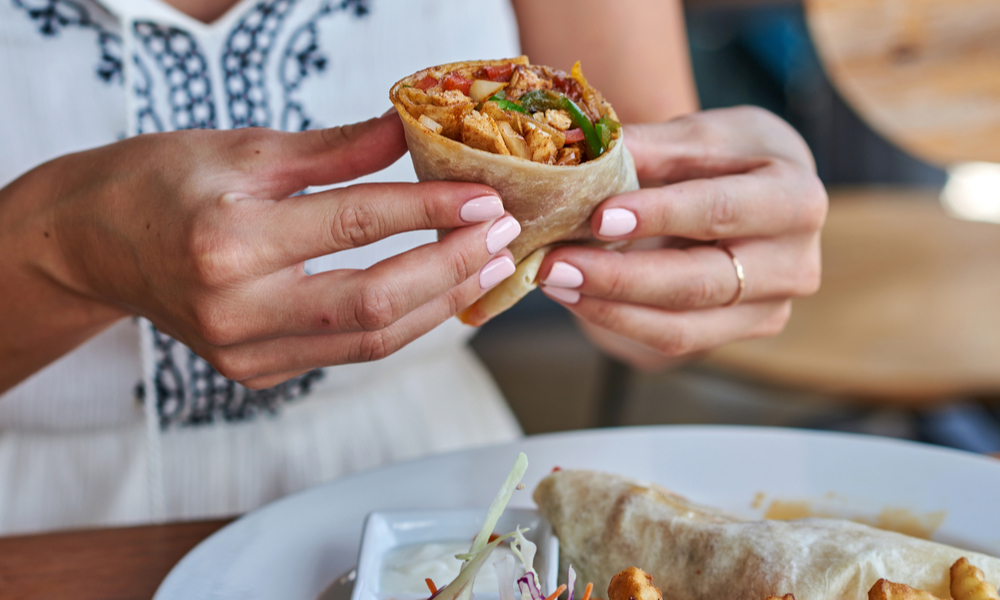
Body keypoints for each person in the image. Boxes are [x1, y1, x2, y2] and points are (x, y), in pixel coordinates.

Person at [0, 0, 826, 534]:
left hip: (442, 505)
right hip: (40, 533)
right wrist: (64, 252)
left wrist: (707, 240)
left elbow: (640, 220)